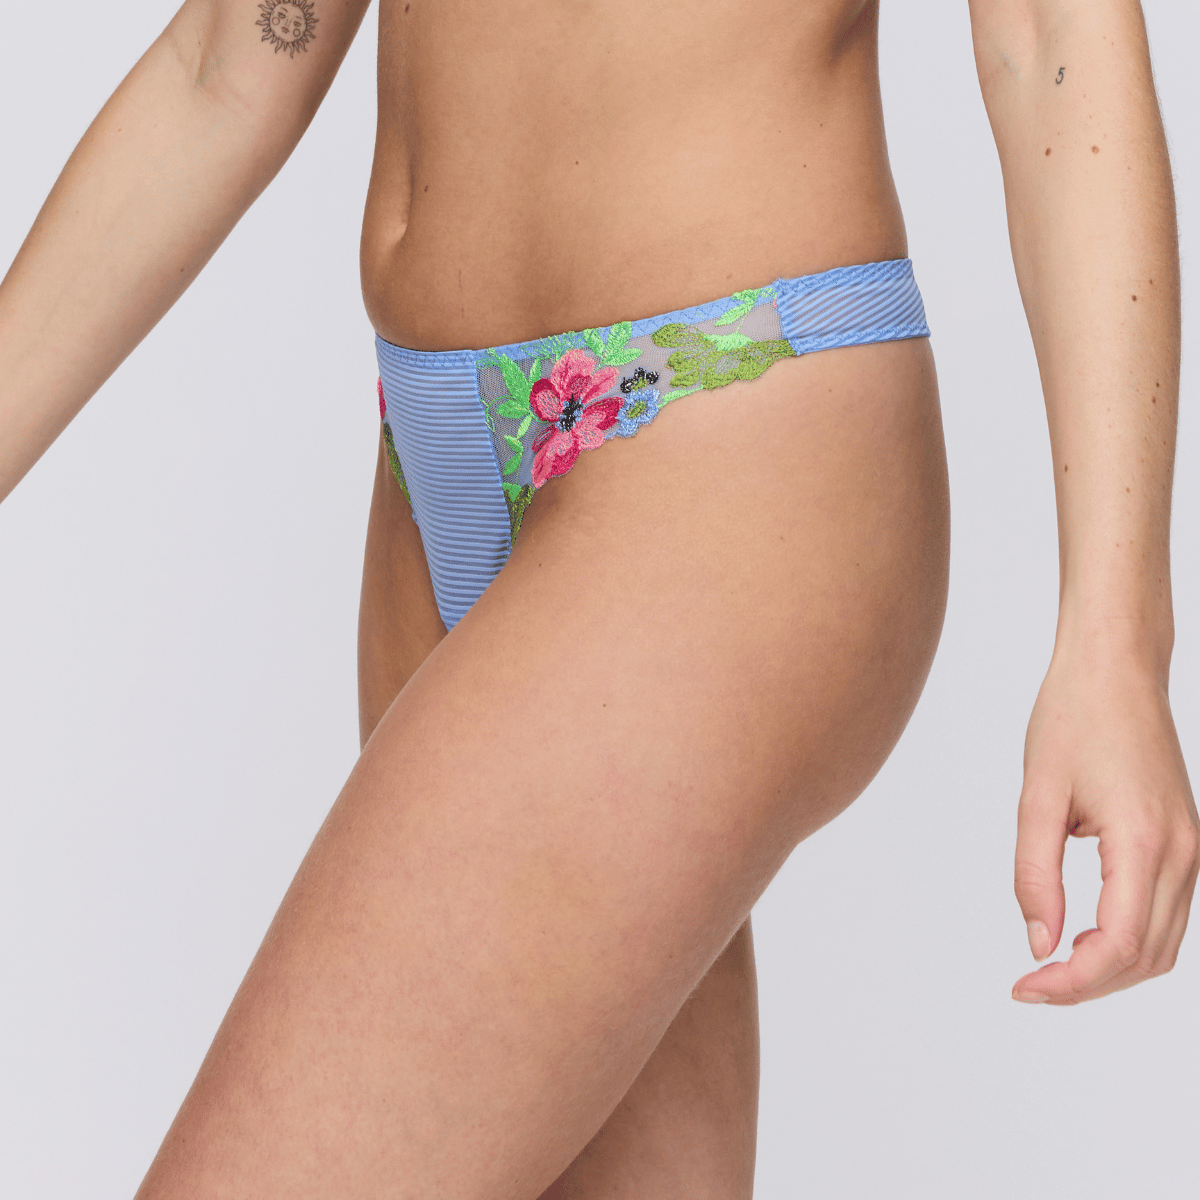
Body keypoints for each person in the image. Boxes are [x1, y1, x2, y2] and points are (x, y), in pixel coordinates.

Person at [1, 0, 1196, 1195]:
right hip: (431, 457)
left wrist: (1116, 641)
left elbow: (1050, 40)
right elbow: (230, 60)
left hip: (720, 415)